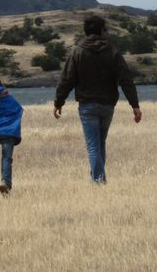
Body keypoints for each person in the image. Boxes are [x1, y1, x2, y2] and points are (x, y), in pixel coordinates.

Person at [54, 14, 142, 184]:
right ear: (103, 31)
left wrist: (59, 102)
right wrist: (134, 105)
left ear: (85, 31)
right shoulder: (113, 51)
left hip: (87, 105)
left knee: (93, 145)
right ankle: (99, 178)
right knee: (100, 143)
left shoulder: (77, 51)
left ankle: (99, 181)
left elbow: (67, 79)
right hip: (108, 104)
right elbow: (126, 79)